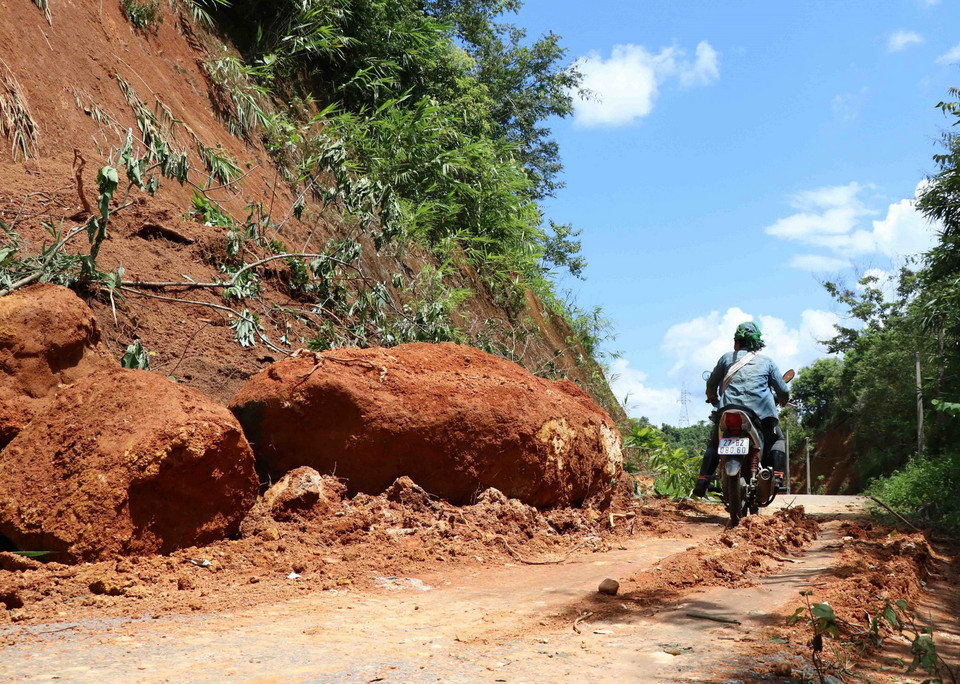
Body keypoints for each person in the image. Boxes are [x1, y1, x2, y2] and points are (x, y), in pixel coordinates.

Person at [692, 321, 790, 498]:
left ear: (736, 342)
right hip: (760, 413)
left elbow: (711, 383)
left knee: (714, 443)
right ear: (757, 344)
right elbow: (783, 390)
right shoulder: (767, 362)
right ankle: (776, 477)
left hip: (727, 409)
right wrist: (783, 401)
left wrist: (713, 398)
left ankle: (703, 480)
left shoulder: (726, 358)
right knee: (777, 440)